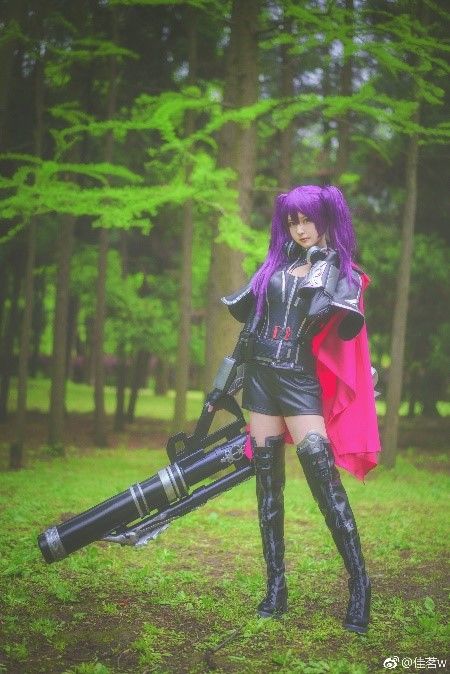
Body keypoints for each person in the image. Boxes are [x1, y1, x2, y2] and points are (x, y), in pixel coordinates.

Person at [207, 184, 381, 634]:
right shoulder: (276, 267)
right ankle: (276, 588)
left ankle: (360, 585)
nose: (300, 229)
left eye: (308, 220)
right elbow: (251, 323)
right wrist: (227, 380)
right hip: (261, 380)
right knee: (268, 486)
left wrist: (331, 273)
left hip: (300, 380)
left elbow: (347, 327)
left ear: (325, 221)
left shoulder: (340, 272)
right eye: (293, 222)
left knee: (323, 479)